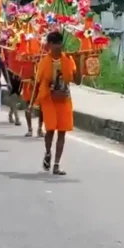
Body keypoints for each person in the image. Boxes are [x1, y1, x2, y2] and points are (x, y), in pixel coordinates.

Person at [36, 31, 81, 174]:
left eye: (59, 43)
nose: (57, 46)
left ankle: (56, 164)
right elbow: (38, 83)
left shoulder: (68, 60)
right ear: (48, 45)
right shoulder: (44, 62)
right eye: (54, 43)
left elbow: (78, 81)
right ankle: (48, 153)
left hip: (64, 100)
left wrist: (79, 62)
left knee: (62, 133)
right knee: (50, 130)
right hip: (49, 100)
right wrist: (34, 103)